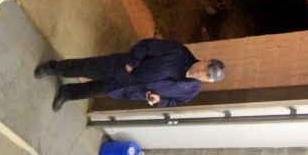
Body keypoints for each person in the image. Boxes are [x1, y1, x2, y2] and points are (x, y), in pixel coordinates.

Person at [33, 38, 226, 111]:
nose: (202, 73)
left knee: (94, 90)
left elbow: (174, 102)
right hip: (122, 68)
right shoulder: (179, 52)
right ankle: (54, 67)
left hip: (130, 90)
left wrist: (158, 101)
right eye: (205, 68)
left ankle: (67, 93)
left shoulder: (191, 90)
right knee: (85, 67)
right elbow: (147, 45)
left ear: (207, 81)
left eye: (206, 76)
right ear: (205, 60)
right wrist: (132, 62)